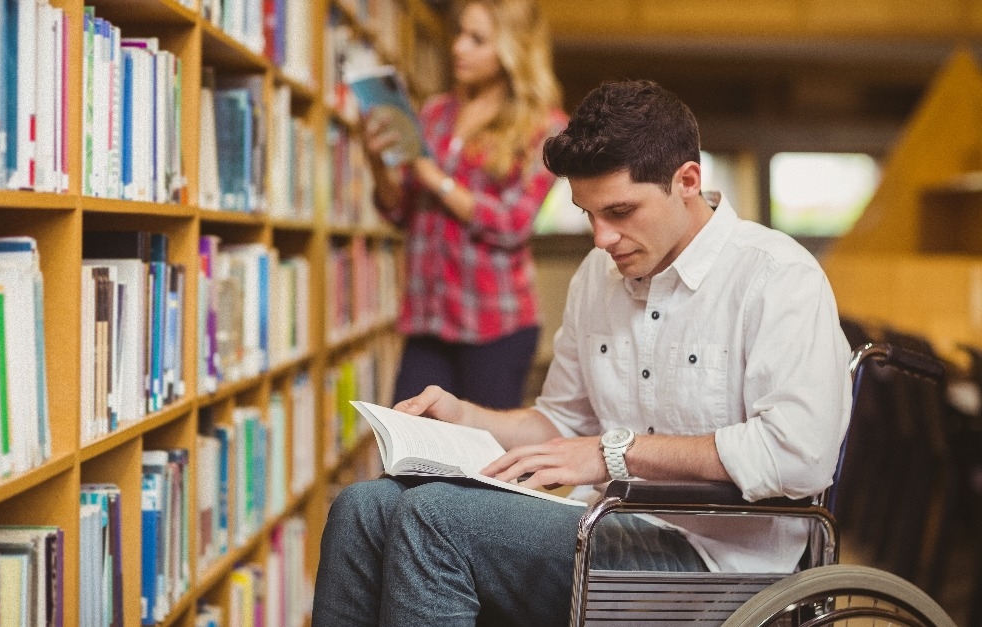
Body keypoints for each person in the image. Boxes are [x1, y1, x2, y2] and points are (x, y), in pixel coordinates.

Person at [311, 79, 854, 627]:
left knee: (434, 517)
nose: (601, 238)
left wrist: (617, 453)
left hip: (723, 565)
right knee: (363, 508)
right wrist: (465, 417)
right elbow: (563, 421)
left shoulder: (777, 277)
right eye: (588, 214)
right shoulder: (599, 275)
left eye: (620, 211)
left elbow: (798, 455)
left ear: (686, 180)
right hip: (607, 527)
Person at [365, 0, 567, 410]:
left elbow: (513, 222)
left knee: (482, 464)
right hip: (428, 317)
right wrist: (375, 161)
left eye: (477, 40)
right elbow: (401, 211)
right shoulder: (435, 112)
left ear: (513, 49)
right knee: (404, 445)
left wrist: (433, 177)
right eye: (459, 34)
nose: (458, 47)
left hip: (496, 323)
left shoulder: (546, 127)